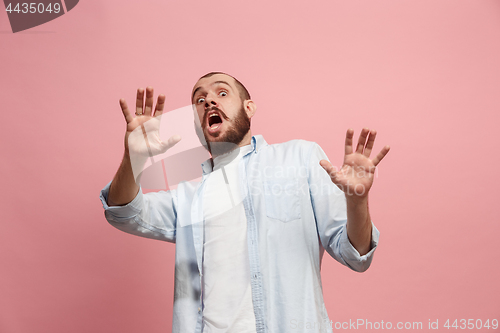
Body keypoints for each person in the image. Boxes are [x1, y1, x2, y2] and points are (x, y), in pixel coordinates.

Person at [99, 72, 390, 333]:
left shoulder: (300, 158)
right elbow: (124, 212)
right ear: (197, 125)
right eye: (200, 100)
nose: (209, 101)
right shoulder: (188, 198)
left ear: (248, 107)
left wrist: (357, 200)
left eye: (221, 93)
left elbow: (356, 255)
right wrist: (134, 159)